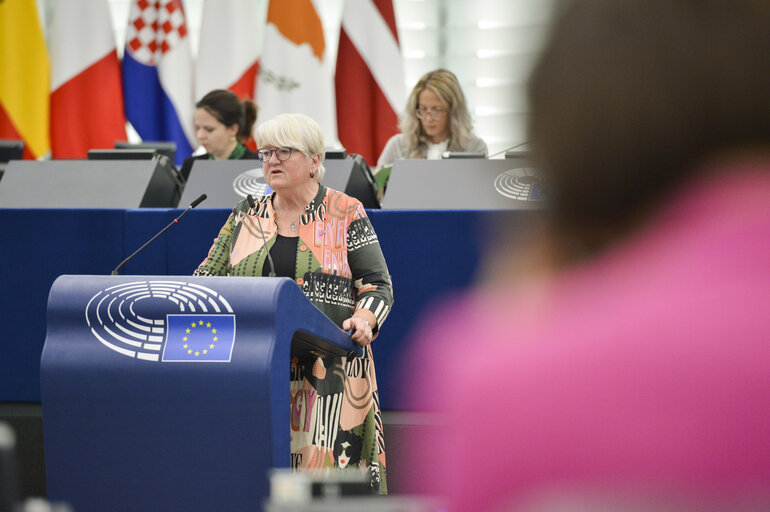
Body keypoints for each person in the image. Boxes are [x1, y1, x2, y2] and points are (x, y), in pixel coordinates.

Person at [404, 1, 770, 510]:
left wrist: (522, 316)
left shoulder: (513, 382)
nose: (429, 116)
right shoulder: (402, 151)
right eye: (422, 109)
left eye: (436, 108)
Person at [193, 113, 394, 493]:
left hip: (329, 378)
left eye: (285, 151)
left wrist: (366, 319)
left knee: (323, 490)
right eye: (266, 152)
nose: (272, 160)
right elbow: (205, 281)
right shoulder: (246, 214)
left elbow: (378, 287)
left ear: (315, 161)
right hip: (255, 373)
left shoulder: (345, 211)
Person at [376, 68, 487, 168]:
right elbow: (376, 187)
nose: (428, 119)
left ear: (453, 112)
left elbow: (480, 188)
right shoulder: (398, 145)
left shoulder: (475, 147)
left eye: (437, 110)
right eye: (423, 109)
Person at [179, 89, 259, 181]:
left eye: (209, 129)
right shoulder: (191, 165)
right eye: (197, 128)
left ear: (233, 129)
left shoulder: (258, 166)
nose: (200, 136)